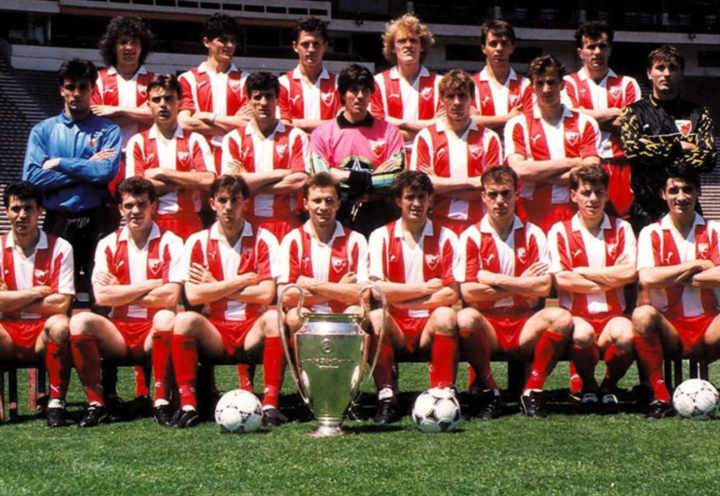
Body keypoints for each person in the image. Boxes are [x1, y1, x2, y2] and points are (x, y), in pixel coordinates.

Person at [456, 166, 573, 419]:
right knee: (465, 318)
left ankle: (532, 390)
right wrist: (521, 284)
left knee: (561, 318)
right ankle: (491, 390)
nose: (500, 201)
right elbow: (469, 292)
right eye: (493, 194)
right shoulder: (470, 237)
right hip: (488, 323)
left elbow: (543, 287)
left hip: (524, 323)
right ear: (483, 197)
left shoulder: (534, 233)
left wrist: (496, 279)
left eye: (506, 193)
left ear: (517, 195)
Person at [171, 175, 287, 428]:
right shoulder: (197, 242)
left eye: (235, 200)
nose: (228, 206)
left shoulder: (264, 239)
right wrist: (240, 282)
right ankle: (188, 406)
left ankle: (270, 405)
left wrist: (215, 285)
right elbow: (193, 295)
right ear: (212, 203)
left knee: (274, 318)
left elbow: (266, 294)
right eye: (222, 200)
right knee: (184, 320)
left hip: (251, 327)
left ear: (246, 203)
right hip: (215, 329)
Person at [68, 178, 183, 427]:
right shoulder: (107, 244)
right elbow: (102, 296)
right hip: (118, 331)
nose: (135, 211)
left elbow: (171, 296)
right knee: (80, 322)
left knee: (167, 317)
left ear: (153, 206)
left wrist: (120, 289)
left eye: (142, 204)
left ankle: (160, 401)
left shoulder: (171, 241)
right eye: (129, 205)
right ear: (121, 209)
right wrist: (150, 284)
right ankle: (97, 402)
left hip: (153, 329)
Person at [23, 58, 121, 303]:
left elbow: (104, 172)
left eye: (83, 87)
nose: (76, 93)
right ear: (61, 90)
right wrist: (87, 165)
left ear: (92, 90)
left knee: (101, 292)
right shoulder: (42, 131)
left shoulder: (108, 130)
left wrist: (59, 162)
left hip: (98, 219)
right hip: (58, 218)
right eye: (70, 87)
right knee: (57, 293)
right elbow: (32, 178)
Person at [366, 171, 459, 423]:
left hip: (429, 324)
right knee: (376, 317)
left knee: (446, 315)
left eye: (421, 197)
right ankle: (387, 396)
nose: (416, 203)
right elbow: (377, 291)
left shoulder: (447, 236)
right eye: (410, 197)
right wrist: (425, 288)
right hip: (396, 324)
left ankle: (443, 394)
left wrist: (400, 296)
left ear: (430, 200)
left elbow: (451, 292)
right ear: (398, 201)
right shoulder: (380, 236)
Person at [548, 165, 637, 412]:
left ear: (607, 194)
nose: (593, 199)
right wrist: (612, 276)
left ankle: (608, 385)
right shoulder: (559, 231)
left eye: (599, 192)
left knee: (627, 335)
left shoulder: (622, 228)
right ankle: (588, 384)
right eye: (586, 192)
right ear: (573, 195)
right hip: (576, 317)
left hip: (613, 316)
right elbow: (561, 280)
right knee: (581, 335)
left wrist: (582, 271)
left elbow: (629, 273)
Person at [632, 169, 720, 419]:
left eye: (687, 189)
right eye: (674, 190)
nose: (681, 197)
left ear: (698, 192)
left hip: (710, 324)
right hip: (671, 327)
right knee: (641, 315)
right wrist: (696, 265)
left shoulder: (715, 229)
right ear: (663, 194)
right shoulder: (651, 232)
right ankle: (660, 396)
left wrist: (672, 276)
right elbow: (648, 278)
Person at [0, 182, 75, 427]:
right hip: (7, 333)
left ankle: (56, 402)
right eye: (16, 209)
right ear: (7, 212)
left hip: (43, 331)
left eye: (28, 208)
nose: (22, 215)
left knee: (61, 325)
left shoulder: (61, 247)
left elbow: (61, 302)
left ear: (40, 211)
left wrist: (10, 300)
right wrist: (34, 293)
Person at [621, 45, 717, 234]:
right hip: (646, 209)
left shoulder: (698, 113)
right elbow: (633, 151)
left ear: (681, 73)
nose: (666, 74)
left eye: (672, 68)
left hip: (686, 207)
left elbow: (708, 158)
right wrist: (678, 147)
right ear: (649, 73)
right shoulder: (633, 112)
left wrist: (652, 149)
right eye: (660, 68)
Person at [505, 55, 601, 233]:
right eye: (540, 83)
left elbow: (591, 173)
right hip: (532, 212)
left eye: (551, 82)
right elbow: (519, 171)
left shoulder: (585, 123)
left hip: (574, 211)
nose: (546, 89)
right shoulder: (517, 124)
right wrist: (570, 162)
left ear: (562, 85)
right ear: (532, 87)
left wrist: (535, 174)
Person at [310, 63, 405, 237]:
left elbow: (397, 181)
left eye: (365, 91)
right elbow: (321, 181)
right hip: (337, 216)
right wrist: (375, 178)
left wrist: (346, 176)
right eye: (354, 90)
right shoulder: (322, 134)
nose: (360, 96)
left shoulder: (390, 132)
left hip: (379, 216)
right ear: (342, 94)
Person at [221, 71, 309, 246]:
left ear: (277, 100)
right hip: (246, 222)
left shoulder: (296, 136)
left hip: (285, 221)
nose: (263, 103)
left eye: (269, 96)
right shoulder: (233, 139)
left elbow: (300, 181)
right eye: (257, 97)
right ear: (248, 101)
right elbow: (232, 187)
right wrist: (282, 173)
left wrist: (249, 183)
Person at [411, 69, 502, 235]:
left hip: (479, 225)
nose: (457, 102)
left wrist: (439, 185)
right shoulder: (426, 137)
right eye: (450, 96)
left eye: (462, 96)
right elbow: (421, 189)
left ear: (472, 98)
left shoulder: (489, 138)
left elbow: (493, 190)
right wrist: (471, 182)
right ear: (441, 100)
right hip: (436, 224)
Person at [564, 21, 641, 219]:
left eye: (602, 46)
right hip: (583, 166)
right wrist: (615, 112)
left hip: (621, 165)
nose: (597, 52)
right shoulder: (568, 83)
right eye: (591, 47)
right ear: (581, 52)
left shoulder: (627, 84)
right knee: (586, 223)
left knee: (622, 224)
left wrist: (585, 115)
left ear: (610, 49)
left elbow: (633, 125)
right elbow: (569, 123)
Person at [126, 74, 216, 240]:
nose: (163, 105)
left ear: (180, 103)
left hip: (188, 221)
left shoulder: (195, 140)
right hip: (150, 223)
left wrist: (163, 173)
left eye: (169, 99)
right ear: (149, 104)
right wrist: (189, 180)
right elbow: (136, 189)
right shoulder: (137, 142)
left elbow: (209, 181)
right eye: (157, 99)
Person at [278, 172, 368, 327]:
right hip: (307, 312)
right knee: (294, 316)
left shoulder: (356, 240)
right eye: (317, 201)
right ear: (306, 204)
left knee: (357, 313)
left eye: (329, 201)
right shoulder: (292, 240)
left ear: (338, 204)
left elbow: (364, 294)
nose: (323, 207)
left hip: (344, 312)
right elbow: (285, 296)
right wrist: (339, 288)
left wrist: (311, 284)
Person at [178, 14, 251, 164]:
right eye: (223, 40)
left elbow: (248, 125)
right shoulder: (187, 79)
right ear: (207, 42)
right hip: (198, 157)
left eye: (233, 40)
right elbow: (185, 123)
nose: (229, 45)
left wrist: (207, 116)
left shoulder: (246, 80)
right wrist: (232, 122)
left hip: (234, 157)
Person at [371, 14, 441, 153]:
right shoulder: (378, 82)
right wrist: (426, 129)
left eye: (413, 40)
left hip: (427, 157)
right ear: (392, 47)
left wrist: (400, 123)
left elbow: (442, 126)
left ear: (421, 46)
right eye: (402, 41)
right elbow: (377, 128)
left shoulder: (440, 83)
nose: (408, 45)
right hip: (390, 157)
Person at [92, 16, 155, 156]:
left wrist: (117, 110)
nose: (129, 47)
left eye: (134, 42)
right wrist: (140, 113)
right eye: (123, 42)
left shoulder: (154, 81)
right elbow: (95, 120)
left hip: (145, 155)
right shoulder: (97, 80)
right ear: (113, 47)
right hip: (108, 155)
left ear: (142, 47)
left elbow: (158, 115)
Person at [278, 17, 341, 133]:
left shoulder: (339, 84)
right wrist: (328, 124)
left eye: (316, 44)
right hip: (298, 145)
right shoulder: (282, 84)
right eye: (305, 44)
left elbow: (342, 124)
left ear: (325, 46)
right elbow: (284, 126)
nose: (311, 49)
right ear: (295, 46)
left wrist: (298, 123)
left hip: (328, 145)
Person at [471, 19, 531, 135]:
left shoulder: (526, 85)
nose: (499, 49)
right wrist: (509, 118)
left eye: (504, 43)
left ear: (512, 47)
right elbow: (468, 122)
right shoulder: (470, 85)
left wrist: (484, 121)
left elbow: (528, 124)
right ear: (483, 48)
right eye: (493, 44)